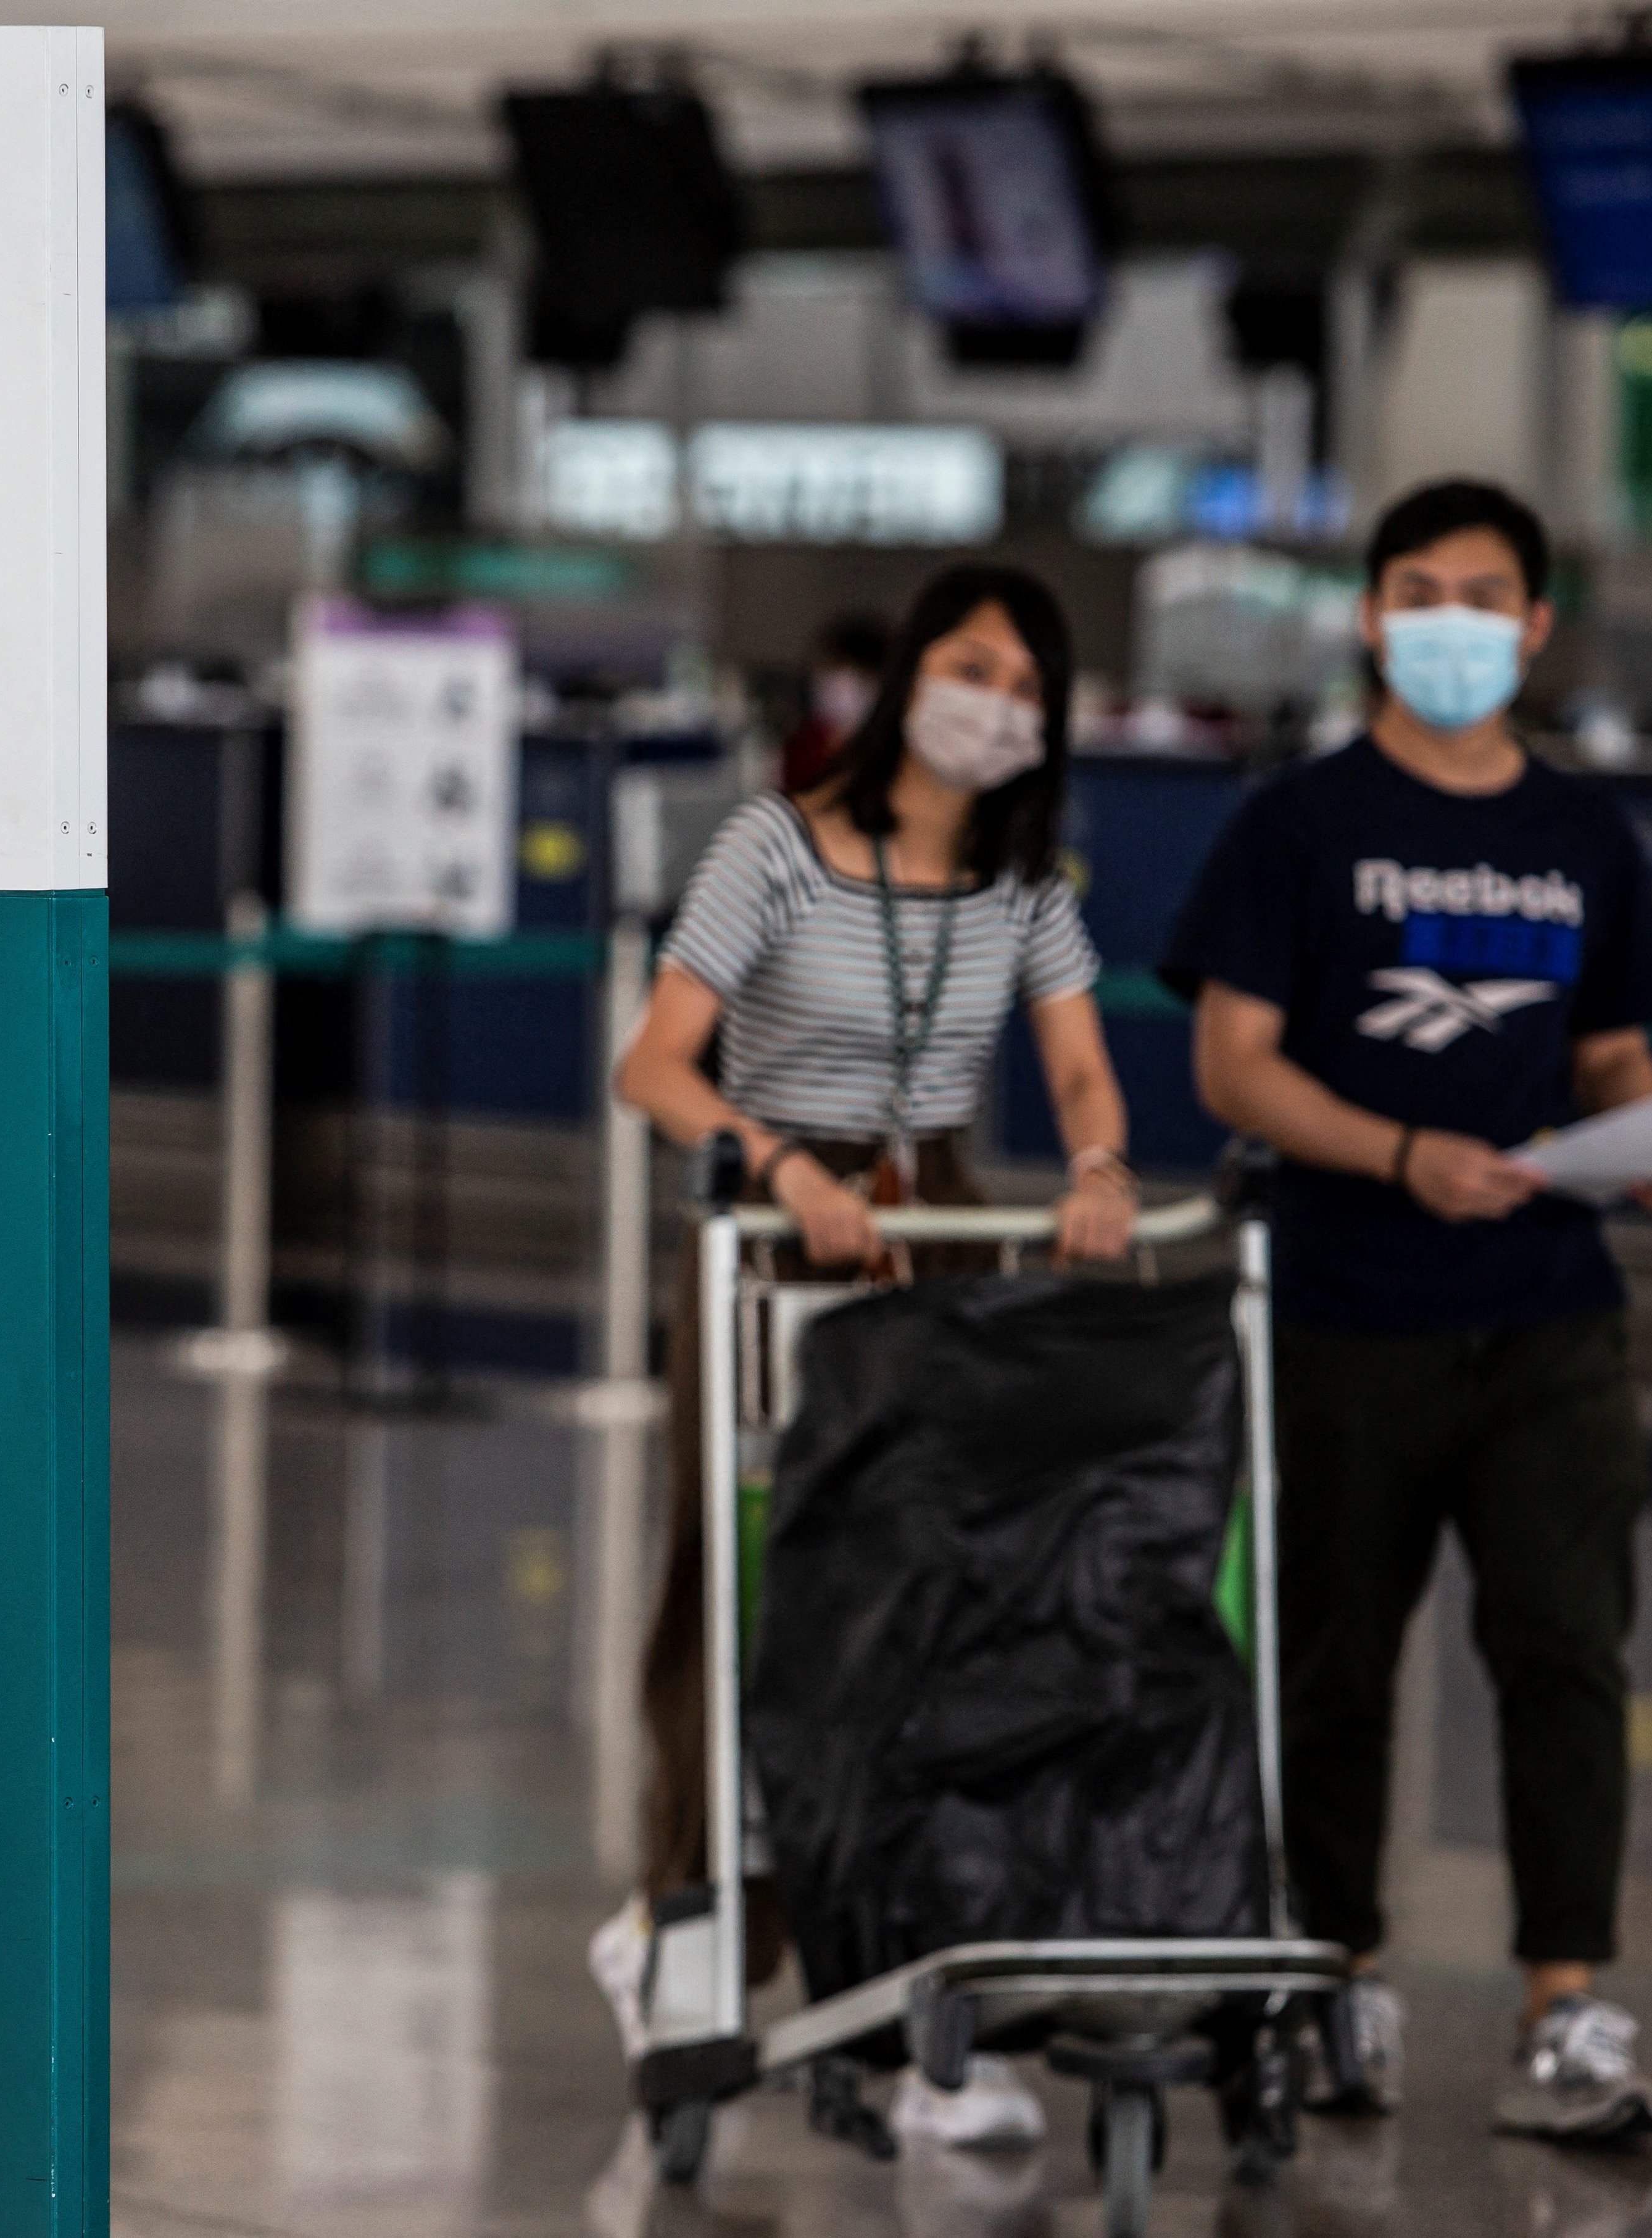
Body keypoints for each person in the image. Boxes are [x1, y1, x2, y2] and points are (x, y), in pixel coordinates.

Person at [1160, 479, 1652, 2145]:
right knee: (1335, 1660)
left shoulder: (1585, 837)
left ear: (1537, 629)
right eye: (1419, 590)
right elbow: (1234, 1064)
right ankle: (1336, 1973)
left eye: (1486, 595)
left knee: (1565, 1647)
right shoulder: (1296, 824)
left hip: (1550, 1314)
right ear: (1369, 616)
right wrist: (1404, 1152)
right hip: (1349, 1305)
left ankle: (1565, 2007)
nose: (1453, 621)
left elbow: (1612, 1053)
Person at [593, 563, 1137, 2149]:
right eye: (973, 666)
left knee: (935, 1609)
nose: (998, 704)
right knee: (751, 1587)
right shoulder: (776, 844)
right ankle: (683, 1930)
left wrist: (1099, 1170)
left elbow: (1084, 1070)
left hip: (933, 1221)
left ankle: (913, 2002)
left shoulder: (1027, 889)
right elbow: (656, 1061)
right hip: (773, 1226)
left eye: (1029, 686)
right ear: (908, 678)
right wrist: (781, 1166)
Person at [776, 609, 890, 794]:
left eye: (859, 679)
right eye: (830, 671)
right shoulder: (800, 749)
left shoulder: (894, 753)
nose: (841, 690)